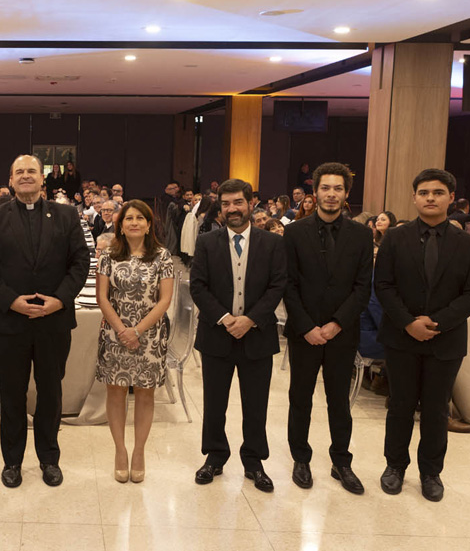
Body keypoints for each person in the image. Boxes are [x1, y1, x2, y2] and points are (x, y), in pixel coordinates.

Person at [0, 154, 89, 489]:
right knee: (11, 394)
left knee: (51, 393)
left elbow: (80, 261)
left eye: (32, 172)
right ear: (11, 180)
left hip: (53, 321)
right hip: (10, 322)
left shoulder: (67, 215)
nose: (26, 176)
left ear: (44, 179)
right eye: (19, 172)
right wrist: (12, 301)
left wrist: (59, 300)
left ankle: (49, 459)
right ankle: (12, 461)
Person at [374, 168, 470, 503]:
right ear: (414, 197)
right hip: (401, 336)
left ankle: (431, 472)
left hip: (446, 339)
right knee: (400, 405)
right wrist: (409, 322)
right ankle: (394, 466)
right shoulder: (395, 237)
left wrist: (435, 322)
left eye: (438, 193)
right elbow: (383, 285)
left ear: (451, 198)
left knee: (437, 409)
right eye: (424, 193)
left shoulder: (468, 243)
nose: (430, 198)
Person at [190, 178, 286, 493]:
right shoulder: (207, 242)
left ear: (250, 203)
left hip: (257, 336)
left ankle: (254, 461)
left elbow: (277, 286)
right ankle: (214, 457)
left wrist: (251, 320)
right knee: (214, 403)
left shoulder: (272, 243)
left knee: (255, 404)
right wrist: (226, 318)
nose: (232, 208)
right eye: (226, 203)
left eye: (238, 202)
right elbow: (198, 286)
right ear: (220, 207)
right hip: (217, 334)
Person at [283, 163, 373, 494]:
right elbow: (288, 285)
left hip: (342, 332)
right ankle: (301, 458)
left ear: (346, 194)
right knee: (300, 397)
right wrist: (307, 327)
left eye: (338, 189)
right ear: (315, 192)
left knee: (339, 400)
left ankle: (341, 461)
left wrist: (336, 324)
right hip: (304, 331)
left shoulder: (362, 235)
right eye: (325, 188)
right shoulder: (294, 233)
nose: (331, 194)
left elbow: (362, 287)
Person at [96, 200, 174, 483]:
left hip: (150, 336)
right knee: (115, 392)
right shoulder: (108, 255)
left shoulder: (162, 257)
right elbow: (102, 298)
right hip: (115, 335)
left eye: (140, 218)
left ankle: (139, 451)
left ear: (149, 224)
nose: (134, 222)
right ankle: (120, 450)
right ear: (120, 225)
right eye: (128, 218)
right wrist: (122, 330)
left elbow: (165, 300)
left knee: (145, 393)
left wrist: (137, 331)